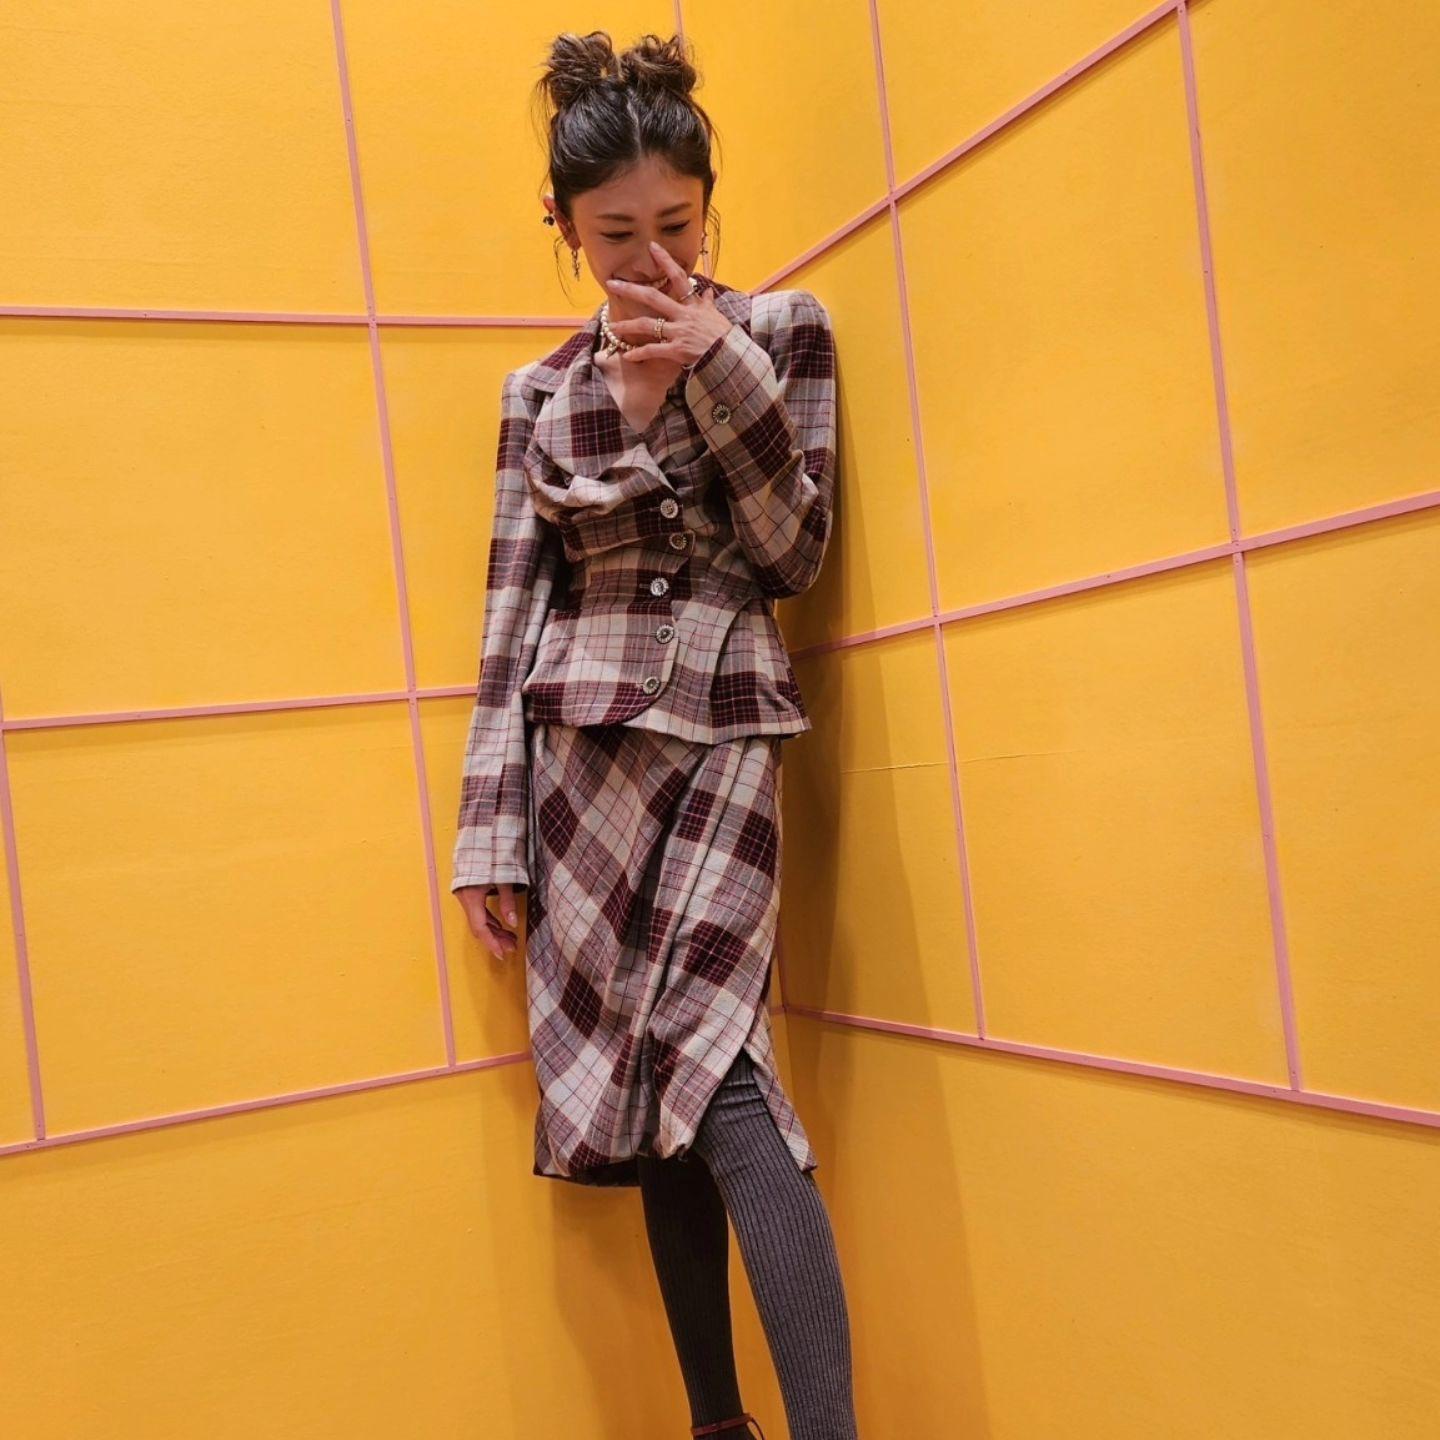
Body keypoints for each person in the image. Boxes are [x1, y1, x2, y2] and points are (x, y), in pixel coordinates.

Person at [450, 28, 858, 1440]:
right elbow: (511, 613)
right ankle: (715, 1425)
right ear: (563, 228)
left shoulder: (785, 333)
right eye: (616, 235)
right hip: (579, 770)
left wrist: (718, 371)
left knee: (724, 1074)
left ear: (710, 207)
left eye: (675, 226)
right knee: (646, 1096)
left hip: (726, 735)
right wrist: (488, 834)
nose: (650, 259)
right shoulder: (537, 395)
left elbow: (794, 552)